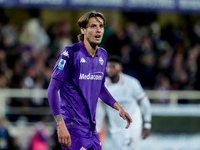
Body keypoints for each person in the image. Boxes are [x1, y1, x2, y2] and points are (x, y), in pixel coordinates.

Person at [47, 10, 132, 150]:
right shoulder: (70, 53)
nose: (98, 30)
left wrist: (118, 107)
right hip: (72, 127)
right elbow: (52, 89)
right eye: (93, 26)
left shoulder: (103, 55)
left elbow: (100, 88)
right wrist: (60, 124)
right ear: (83, 30)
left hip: (91, 129)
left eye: (101, 26)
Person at [96, 55, 152, 150]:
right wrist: (97, 128)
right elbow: (101, 109)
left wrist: (147, 123)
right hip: (116, 129)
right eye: (108, 66)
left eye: (113, 66)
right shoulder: (103, 86)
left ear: (120, 68)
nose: (110, 69)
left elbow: (144, 103)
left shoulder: (132, 83)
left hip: (133, 125)